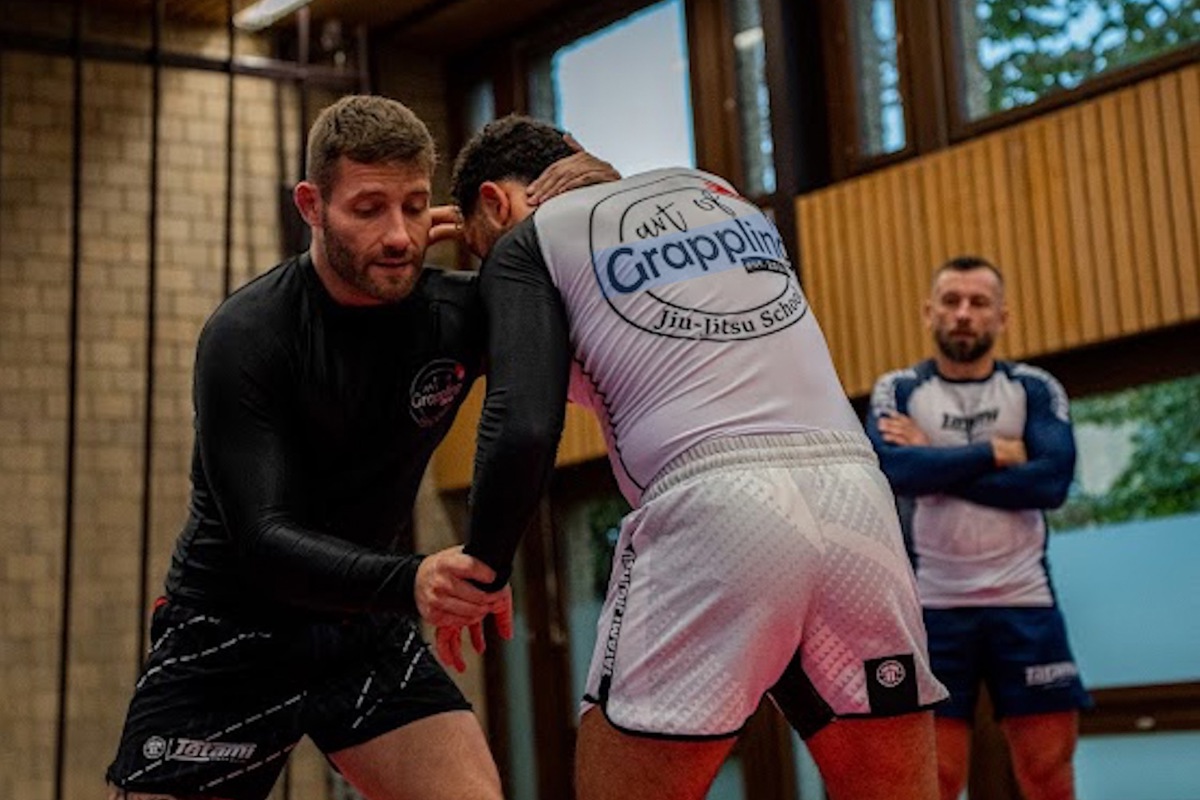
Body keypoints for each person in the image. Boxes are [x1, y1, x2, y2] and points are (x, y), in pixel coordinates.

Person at [103, 95, 609, 800]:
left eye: (412, 205)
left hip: (365, 633)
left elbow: (587, 296)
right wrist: (413, 580)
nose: (399, 235)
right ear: (311, 205)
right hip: (232, 632)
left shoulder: (457, 310)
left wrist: (598, 187)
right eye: (368, 209)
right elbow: (264, 536)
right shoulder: (249, 334)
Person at [445, 114, 947, 800]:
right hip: (856, 492)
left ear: (497, 203)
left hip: (714, 500)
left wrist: (484, 567)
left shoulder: (525, 243)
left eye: (478, 245)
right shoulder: (718, 190)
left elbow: (524, 426)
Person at [866, 256, 1090, 800]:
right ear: (929, 313)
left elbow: (1051, 483)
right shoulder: (898, 389)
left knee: (1047, 776)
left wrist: (937, 460)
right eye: (951, 301)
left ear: (1002, 317)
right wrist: (996, 451)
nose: (963, 314)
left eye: (978, 303)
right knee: (936, 782)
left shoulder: (1034, 389)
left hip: (1026, 603)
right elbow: (895, 471)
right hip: (935, 607)